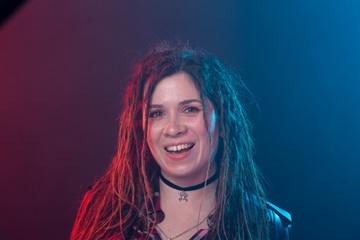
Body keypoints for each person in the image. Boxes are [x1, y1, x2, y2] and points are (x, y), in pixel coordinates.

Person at [71, 42, 292, 240]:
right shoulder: (103, 214)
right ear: (143, 129)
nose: (173, 129)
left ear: (223, 121)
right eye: (157, 113)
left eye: (190, 109)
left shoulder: (264, 225)